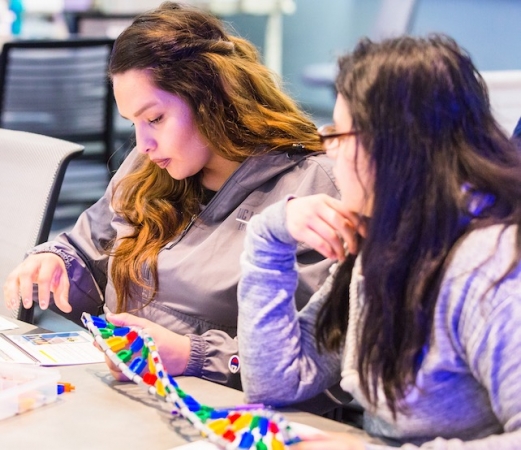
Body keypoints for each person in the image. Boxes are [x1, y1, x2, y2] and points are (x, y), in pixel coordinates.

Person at [3, 2, 339, 389]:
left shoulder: (310, 188)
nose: (143, 143)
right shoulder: (155, 163)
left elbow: (312, 362)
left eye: (155, 118)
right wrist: (56, 261)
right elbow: (87, 245)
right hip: (130, 392)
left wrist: (189, 354)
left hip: (224, 413)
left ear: (211, 98)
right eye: (134, 123)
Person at [237, 34, 521, 448]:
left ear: (393, 147)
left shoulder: (487, 265)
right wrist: (270, 237)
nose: (329, 153)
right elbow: (278, 381)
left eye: (338, 135)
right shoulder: (386, 243)